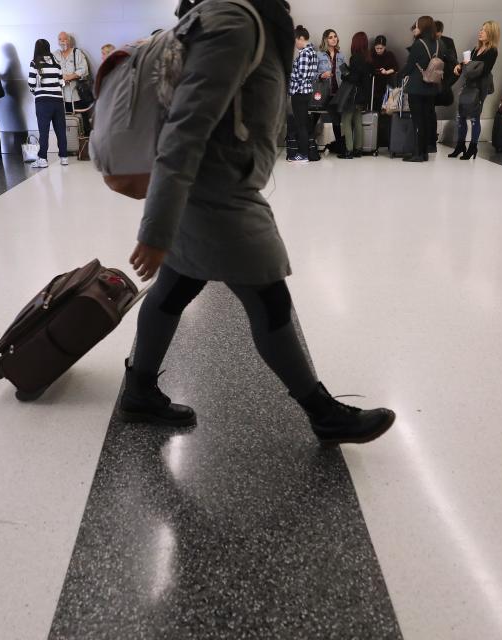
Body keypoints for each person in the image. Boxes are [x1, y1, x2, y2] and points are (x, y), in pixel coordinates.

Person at [121, 0, 396, 446]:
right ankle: (322, 413)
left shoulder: (230, 13)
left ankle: (138, 391)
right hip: (218, 195)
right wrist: (155, 230)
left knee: (174, 288)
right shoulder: (232, 20)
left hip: (208, 186)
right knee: (268, 298)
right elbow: (185, 127)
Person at [448, 20, 499, 160]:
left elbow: (483, 71)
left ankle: (473, 147)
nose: (480, 32)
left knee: (474, 118)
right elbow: (469, 65)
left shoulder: (492, 51)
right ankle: (460, 145)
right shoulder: (476, 49)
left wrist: (468, 65)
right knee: (461, 116)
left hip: (479, 88)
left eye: (484, 30)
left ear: (491, 34)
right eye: (481, 29)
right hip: (468, 85)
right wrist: (460, 66)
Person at [400, 15, 440, 163]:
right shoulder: (438, 43)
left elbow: (409, 66)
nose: (414, 30)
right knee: (426, 120)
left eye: (416, 27)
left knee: (417, 121)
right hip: (431, 87)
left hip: (417, 87)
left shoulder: (418, 44)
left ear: (422, 28)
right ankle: (425, 152)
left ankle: (417, 153)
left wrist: (398, 76)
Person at [28, 38, 68, 168]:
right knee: (60, 130)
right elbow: (61, 82)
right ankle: (64, 157)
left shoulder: (35, 63)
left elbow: (31, 83)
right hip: (57, 101)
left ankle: (43, 159)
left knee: (44, 131)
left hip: (43, 102)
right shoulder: (56, 63)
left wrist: (36, 91)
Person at [288, 25, 318, 163]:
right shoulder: (312, 52)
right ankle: (304, 153)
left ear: (300, 38)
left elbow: (302, 75)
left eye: (295, 41)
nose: (295, 45)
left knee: (301, 125)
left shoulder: (305, 53)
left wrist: (288, 73)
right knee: (303, 123)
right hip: (305, 91)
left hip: (299, 92)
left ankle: (303, 154)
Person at [339, 32, 372, 159]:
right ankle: (358, 149)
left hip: (354, 95)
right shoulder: (368, 58)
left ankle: (349, 150)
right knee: (358, 121)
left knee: (346, 120)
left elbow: (354, 78)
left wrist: (344, 73)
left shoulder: (356, 58)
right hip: (364, 95)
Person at [55, 32, 92, 133]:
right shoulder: (55, 55)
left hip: (76, 94)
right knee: (67, 123)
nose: (62, 42)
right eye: (60, 39)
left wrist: (71, 76)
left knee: (83, 121)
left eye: (64, 39)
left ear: (69, 41)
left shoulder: (77, 53)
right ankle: (71, 143)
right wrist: (61, 77)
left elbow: (84, 69)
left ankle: (86, 140)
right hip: (61, 96)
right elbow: (52, 71)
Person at [317, 29, 347, 152]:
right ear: (325, 39)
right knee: (315, 117)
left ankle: (339, 146)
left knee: (336, 120)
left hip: (337, 93)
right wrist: (321, 75)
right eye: (330, 37)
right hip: (323, 92)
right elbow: (313, 73)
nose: (334, 39)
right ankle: (309, 143)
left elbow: (345, 74)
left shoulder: (341, 55)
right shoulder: (319, 55)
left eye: (335, 36)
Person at [369, 35, 398, 111]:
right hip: (373, 84)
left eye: (381, 48)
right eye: (377, 48)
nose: (379, 50)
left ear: (385, 47)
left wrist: (386, 72)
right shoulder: (371, 55)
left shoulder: (389, 55)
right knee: (375, 106)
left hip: (386, 83)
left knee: (385, 107)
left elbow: (395, 68)